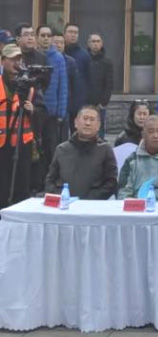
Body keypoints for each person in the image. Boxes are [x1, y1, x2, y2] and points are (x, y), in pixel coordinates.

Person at [44, 105, 117, 199]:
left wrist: (91, 198)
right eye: (85, 118)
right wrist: (61, 196)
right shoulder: (62, 149)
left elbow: (111, 182)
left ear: (98, 125)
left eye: (92, 120)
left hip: (93, 204)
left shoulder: (105, 150)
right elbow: (50, 180)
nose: (88, 123)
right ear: (76, 122)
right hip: (64, 203)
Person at [0, 42, 35, 207]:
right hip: (2, 144)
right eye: (12, 59)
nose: (16, 63)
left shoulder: (29, 86)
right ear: (2, 61)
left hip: (21, 143)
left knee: (22, 186)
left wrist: (32, 110)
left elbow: (43, 112)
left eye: (19, 59)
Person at [33, 25, 68, 176]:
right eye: (43, 35)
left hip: (52, 111)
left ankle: (51, 178)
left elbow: (63, 85)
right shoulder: (33, 56)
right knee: (35, 147)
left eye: (48, 36)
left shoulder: (58, 58)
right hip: (35, 110)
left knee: (51, 147)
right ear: (37, 37)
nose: (46, 38)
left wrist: (61, 111)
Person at [84, 33, 113, 138]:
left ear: (101, 44)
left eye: (98, 41)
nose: (95, 44)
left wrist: (103, 103)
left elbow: (109, 84)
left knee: (99, 130)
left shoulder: (107, 63)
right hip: (84, 103)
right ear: (88, 44)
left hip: (100, 105)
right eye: (93, 41)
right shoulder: (84, 60)